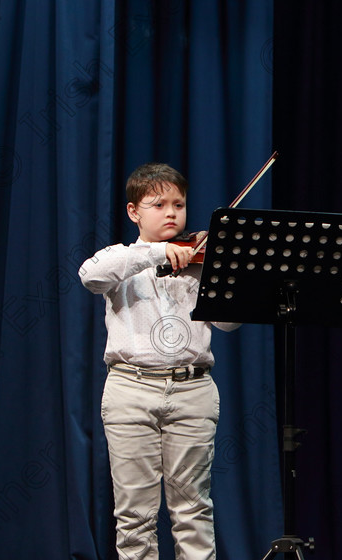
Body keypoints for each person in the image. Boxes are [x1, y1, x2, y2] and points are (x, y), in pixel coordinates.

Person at [81, 162, 240, 560]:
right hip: (130, 389)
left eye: (179, 204)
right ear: (134, 212)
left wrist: (221, 271)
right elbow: (90, 276)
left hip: (192, 390)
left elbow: (228, 325)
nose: (171, 213)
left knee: (194, 511)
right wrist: (156, 253)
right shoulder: (122, 259)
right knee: (134, 517)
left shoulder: (200, 258)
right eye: (158, 204)